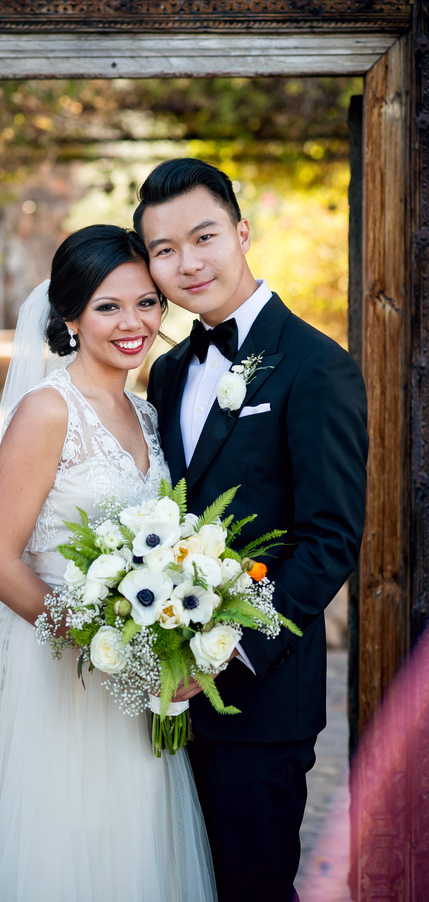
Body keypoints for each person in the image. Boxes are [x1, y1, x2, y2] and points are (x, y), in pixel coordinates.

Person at [0, 224, 217, 902]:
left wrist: (165, 646)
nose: (133, 323)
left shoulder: (146, 415)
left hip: (129, 677)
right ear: (70, 316)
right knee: (55, 845)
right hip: (55, 669)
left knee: (125, 841)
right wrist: (104, 643)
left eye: (147, 302)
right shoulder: (47, 410)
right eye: (108, 306)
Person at [134, 159, 369, 902]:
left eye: (203, 236)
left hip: (259, 699)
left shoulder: (315, 366)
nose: (187, 262)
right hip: (164, 692)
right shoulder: (167, 371)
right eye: (164, 250)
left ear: (240, 231)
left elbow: (330, 536)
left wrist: (231, 650)